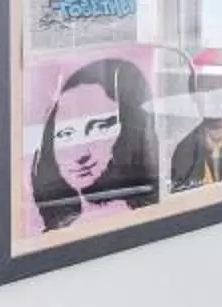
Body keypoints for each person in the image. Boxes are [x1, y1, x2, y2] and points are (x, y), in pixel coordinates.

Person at [28, 57, 159, 231]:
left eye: (100, 128)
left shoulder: (136, 214)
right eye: (65, 133)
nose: (82, 154)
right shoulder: (50, 224)